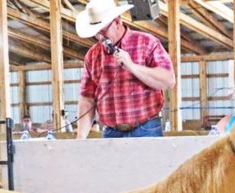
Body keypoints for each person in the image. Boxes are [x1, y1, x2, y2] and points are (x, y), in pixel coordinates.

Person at [74, 0, 175, 139]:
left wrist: (132, 66)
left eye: (103, 30)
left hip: (146, 128)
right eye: (96, 33)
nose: (100, 37)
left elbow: (168, 80)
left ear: (117, 22)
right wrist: (80, 138)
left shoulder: (147, 42)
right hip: (111, 131)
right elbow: (87, 99)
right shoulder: (92, 55)